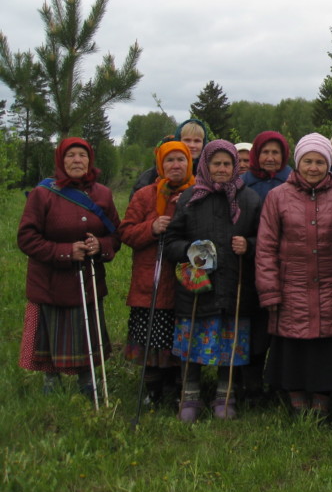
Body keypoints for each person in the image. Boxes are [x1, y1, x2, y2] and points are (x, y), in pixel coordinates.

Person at [256, 133, 332, 418]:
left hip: (331, 287)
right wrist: (270, 291)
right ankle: (296, 398)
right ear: (298, 163)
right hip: (290, 286)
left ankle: (322, 400)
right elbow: (265, 247)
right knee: (293, 347)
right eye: (307, 161)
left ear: (328, 164)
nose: (313, 167)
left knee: (326, 348)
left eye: (319, 162)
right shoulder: (277, 197)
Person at [165, 140, 262, 422]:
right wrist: (189, 250)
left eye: (227, 164)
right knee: (194, 340)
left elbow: (265, 240)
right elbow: (171, 241)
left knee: (228, 343)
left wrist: (249, 244)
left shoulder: (249, 199)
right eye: (216, 164)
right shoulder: (190, 198)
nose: (221, 169)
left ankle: (225, 393)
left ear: (236, 166)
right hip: (197, 288)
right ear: (205, 165)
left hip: (235, 286)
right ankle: (190, 394)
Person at [18, 138, 120, 396]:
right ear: (61, 161)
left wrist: (101, 245)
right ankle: (51, 380)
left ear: (90, 160)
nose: (77, 160)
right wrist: (65, 252)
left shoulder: (103, 195)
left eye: (82, 156)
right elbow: (27, 238)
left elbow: (117, 235)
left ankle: (87, 379)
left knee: (85, 330)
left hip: (87, 279)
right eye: (71, 155)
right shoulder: (43, 194)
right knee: (52, 329)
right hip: (50, 281)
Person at [119, 140, 195, 405]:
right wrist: (151, 227)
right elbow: (126, 232)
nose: (176, 165)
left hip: (185, 278)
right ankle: (152, 389)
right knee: (151, 339)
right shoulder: (145, 195)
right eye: (170, 160)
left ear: (190, 163)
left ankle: (177, 389)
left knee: (180, 336)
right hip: (151, 279)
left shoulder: (198, 193)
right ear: (160, 165)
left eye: (181, 160)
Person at [240, 129, 292, 401]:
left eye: (276, 153)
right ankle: (251, 384)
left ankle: (280, 382)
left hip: (289, 264)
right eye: (265, 152)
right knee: (256, 327)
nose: (270, 158)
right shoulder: (243, 185)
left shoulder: (294, 180)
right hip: (251, 263)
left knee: (283, 327)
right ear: (255, 155)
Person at [130, 118, 209, 198]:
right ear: (178, 141)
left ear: (204, 143)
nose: (192, 145)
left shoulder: (208, 172)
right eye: (187, 140)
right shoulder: (153, 175)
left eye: (197, 141)